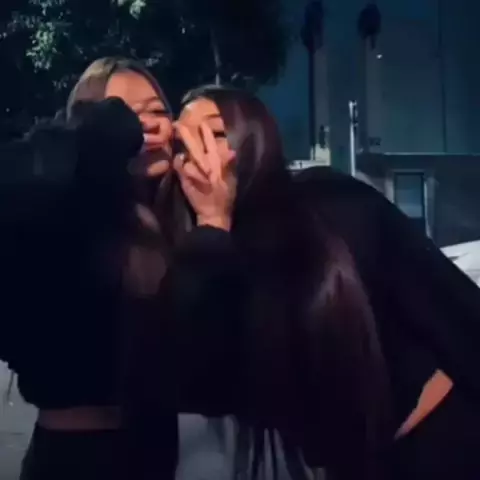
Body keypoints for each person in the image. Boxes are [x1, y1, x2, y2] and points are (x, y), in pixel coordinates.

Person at [127, 84, 480, 480]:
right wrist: (213, 223)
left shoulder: (326, 200)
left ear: (255, 135)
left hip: (444, 437)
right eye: (185, 142)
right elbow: (205, 384)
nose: (200, 152)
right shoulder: (200, 254)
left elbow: (453, 308)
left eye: (216, 133)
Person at [0, 57, 234, 480]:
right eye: (124, 114)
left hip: (159, 453)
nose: (148, 126)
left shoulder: (173, 220)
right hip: (79, 459)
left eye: (158, 111)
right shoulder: (61, 217)